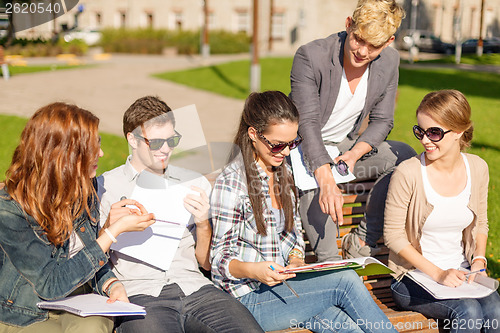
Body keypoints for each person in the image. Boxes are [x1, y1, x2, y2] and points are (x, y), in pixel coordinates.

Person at [210, 91, 397, 332]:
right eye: (278, 145)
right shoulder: (233, 182)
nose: (286, 152)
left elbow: (293, 231)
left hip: (284, 290)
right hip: (247, 299)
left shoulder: (282, 171)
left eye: (292, 143)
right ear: (253, 134)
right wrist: (254, 270)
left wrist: (296, 258)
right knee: (346, 281)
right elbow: (219, 261)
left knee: (347, 327)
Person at [98, 96, 263, 333]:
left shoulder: (193, 182)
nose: (166, 149)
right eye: (156, 142)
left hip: (195, 288)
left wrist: (203, 223)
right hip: (141, 293)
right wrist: (110, 227)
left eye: (171, 140)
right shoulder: (106, 187)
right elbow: (91, 258)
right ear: (132, 140)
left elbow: (206, 263)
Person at [0, 102, 155, 332]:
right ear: (62, 154)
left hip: (78, 297)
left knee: (92, 329)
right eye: (91, 147)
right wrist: (113, 232)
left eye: (99, 143)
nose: (101, 153)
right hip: (26, 308)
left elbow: (86, 250)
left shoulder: (84, 186)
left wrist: (111, 284)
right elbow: (50, 284)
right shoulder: (10, 208)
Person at [289, 0, 416, 261]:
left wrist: (355, 154)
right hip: (302, 151)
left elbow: (382, 120)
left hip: (344, 151)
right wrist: (325, 179)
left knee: (404, 156)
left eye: (375, 46)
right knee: (319, 203)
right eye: (359, 39)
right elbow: (307, 124)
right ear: (349, 25)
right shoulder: (311, 56)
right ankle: (331, 264)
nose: (363, 51)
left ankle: (360, 239)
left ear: (389, 41)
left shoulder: (389, 61)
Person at [384, 90, 500, 333]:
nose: (425, 140)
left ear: (459, 131)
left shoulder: (478, 167)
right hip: (414, 277)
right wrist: (438, 274)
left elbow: (481, 222)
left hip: (462, 273)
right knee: (467, 312)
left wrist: (478, 259)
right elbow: (393, 236)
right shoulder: (408, 173)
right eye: (420, 131)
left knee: (495, 311)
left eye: (434, 132)